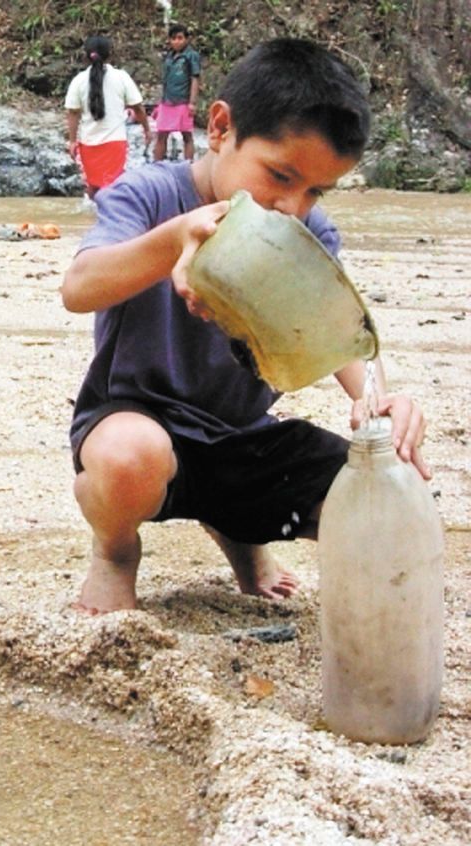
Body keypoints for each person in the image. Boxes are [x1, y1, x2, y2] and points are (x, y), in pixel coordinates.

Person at [60, 38, 429, 614]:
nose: (292, 207)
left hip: (242, 438)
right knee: (131, 457)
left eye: (315, 191)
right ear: (221, 127)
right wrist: (173, 240)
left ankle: (243, 537)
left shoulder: (308, 234)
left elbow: (334, 329)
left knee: (374, 496)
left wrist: (380, 399)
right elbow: (78, 288)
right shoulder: (149, 195)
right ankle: (114, 552)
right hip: (138, 427)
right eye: (280, 175)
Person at [64, 36, 152, 199]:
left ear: (86, 56)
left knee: (92, 188)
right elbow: (137, 107)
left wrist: (72, 141)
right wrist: (146, 129)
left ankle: (89, 220)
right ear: (110, 55)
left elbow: (73, 113)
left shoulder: (78, 81)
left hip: (88, 143)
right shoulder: (121, 77)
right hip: (114, 143)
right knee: (113, 188)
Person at [153, 23, 202, 162]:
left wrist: (192, 103)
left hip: (183, 102)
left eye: (180, 38)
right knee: (161, 134)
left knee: (187, 135)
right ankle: (157, 166)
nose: (176, 41)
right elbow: (166, 80)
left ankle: (188, 166)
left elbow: (195, 78)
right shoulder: (169, 56)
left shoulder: (191, 56)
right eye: (173, 38)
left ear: (187, 39)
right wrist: (161, 101)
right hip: (167, 101)